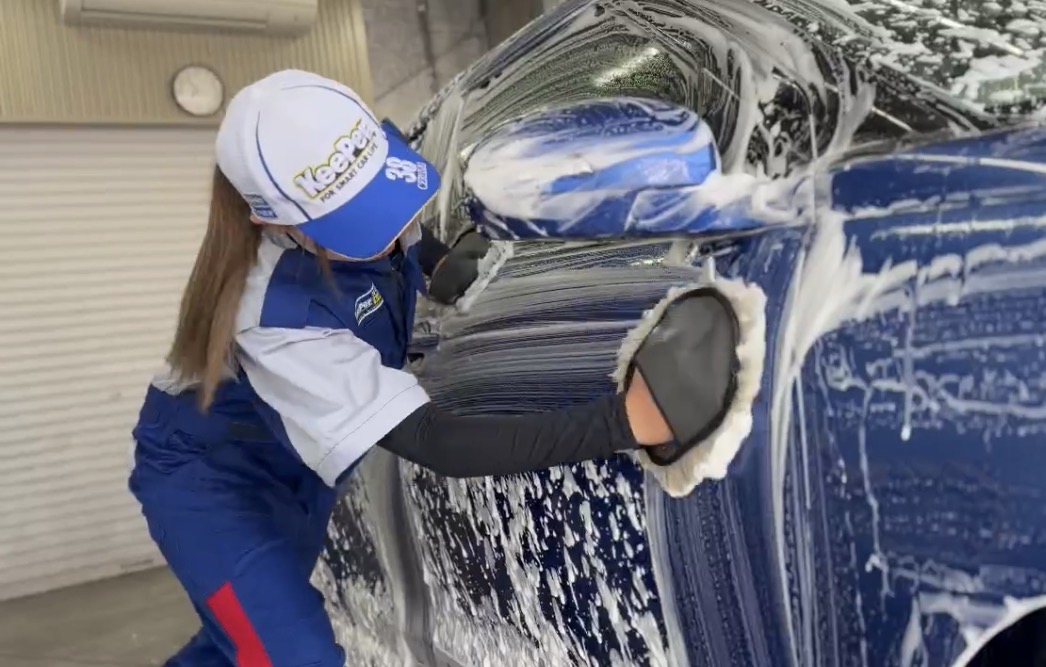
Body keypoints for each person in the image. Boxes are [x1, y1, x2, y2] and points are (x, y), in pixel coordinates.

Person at [127, 70, 726, 667]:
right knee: (287, 655)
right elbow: (437, 442)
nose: (389, 225)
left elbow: (404, 233)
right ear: (278, 222)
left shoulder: (358, 173)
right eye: (357, 221)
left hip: (301, 467)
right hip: (212, 481)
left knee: (242, 638)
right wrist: (626, 423)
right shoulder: (276, 316)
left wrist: (442, 263)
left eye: (385, 196)